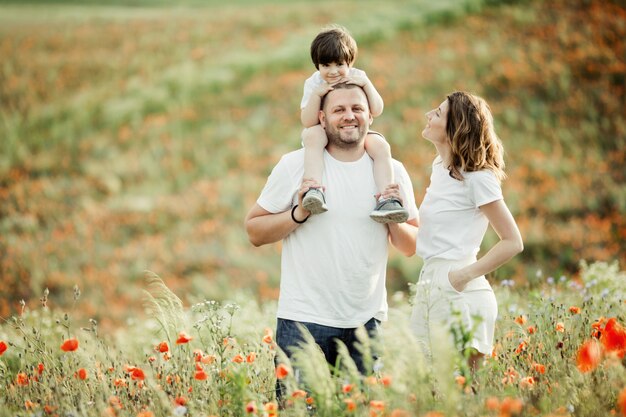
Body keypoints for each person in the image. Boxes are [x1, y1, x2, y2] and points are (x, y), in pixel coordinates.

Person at [245, 82, 419, 400]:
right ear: (322, 119)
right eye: (339, 109)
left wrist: (396, 221)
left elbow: (411, 245)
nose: (349, 116)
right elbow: (254, 231)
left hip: (367, 322)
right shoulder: (295, 165)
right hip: (302, 320)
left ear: (370, 116)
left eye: (357, 109)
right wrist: (297, 213)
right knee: (298, 410)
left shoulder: (391, 171)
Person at [409, 91, 523, 372]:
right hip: (431, 283)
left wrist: (461, 277)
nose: (428, 115)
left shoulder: (478, 178)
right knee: (429, 392)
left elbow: (512, 241)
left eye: (437, 113)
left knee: (461, 398)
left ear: (455, 128)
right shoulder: (441, 169)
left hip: (460, 291)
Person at [299, 25, 409, 223]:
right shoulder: (314, 83)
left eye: (339, 64)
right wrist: (318, 94)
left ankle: (387, 197)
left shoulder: (359, 76)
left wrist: (365, 84)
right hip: (323, 128)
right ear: (317, 66)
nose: (333, 72)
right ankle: (313, 189)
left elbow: (376, 109)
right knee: (312, 136)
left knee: (381, 146)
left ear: (350, 62)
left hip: (354, 130)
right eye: (326, 66)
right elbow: (308, 121)